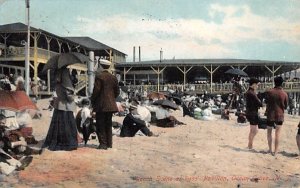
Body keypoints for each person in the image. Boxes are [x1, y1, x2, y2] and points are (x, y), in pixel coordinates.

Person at [42, 67, 78, 151]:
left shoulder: (57, 71)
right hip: (65, 104)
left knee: (58, 126)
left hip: (59, 103)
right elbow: (68, 89)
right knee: (67, 125)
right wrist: (73, 96)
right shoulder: (64, 71)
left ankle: (57, 142)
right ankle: (67, 143)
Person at [91, 60, 119, 150]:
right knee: (108, 124)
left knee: (100, 124)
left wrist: (92, 100)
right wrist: (111, 98)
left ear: (100, 66)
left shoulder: (99, 76)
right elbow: (117, 92)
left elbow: (96, 91)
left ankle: (103, 144)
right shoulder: (113, 77)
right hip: (111, 105)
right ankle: (109, 143)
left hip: (101, 105)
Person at [265, 76, 288, 155]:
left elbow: (266, 102)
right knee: (277, 133)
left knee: (269, 132)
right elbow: (286, 106)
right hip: (280, 115)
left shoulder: (269, 92)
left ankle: (270, 149)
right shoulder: (284, 94)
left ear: (274, 82)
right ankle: (276, 151)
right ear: (282, 83)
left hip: (270, 114)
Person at [245, 78, 262, 149]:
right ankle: (250, 145)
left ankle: (250, 145)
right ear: (254, 84)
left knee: (252, 130)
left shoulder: (249, 92)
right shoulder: (252, 93)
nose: (258, 86)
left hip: (250, 112)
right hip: (252, 113)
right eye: (257, 85)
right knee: (254, 130)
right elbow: (260, 103)